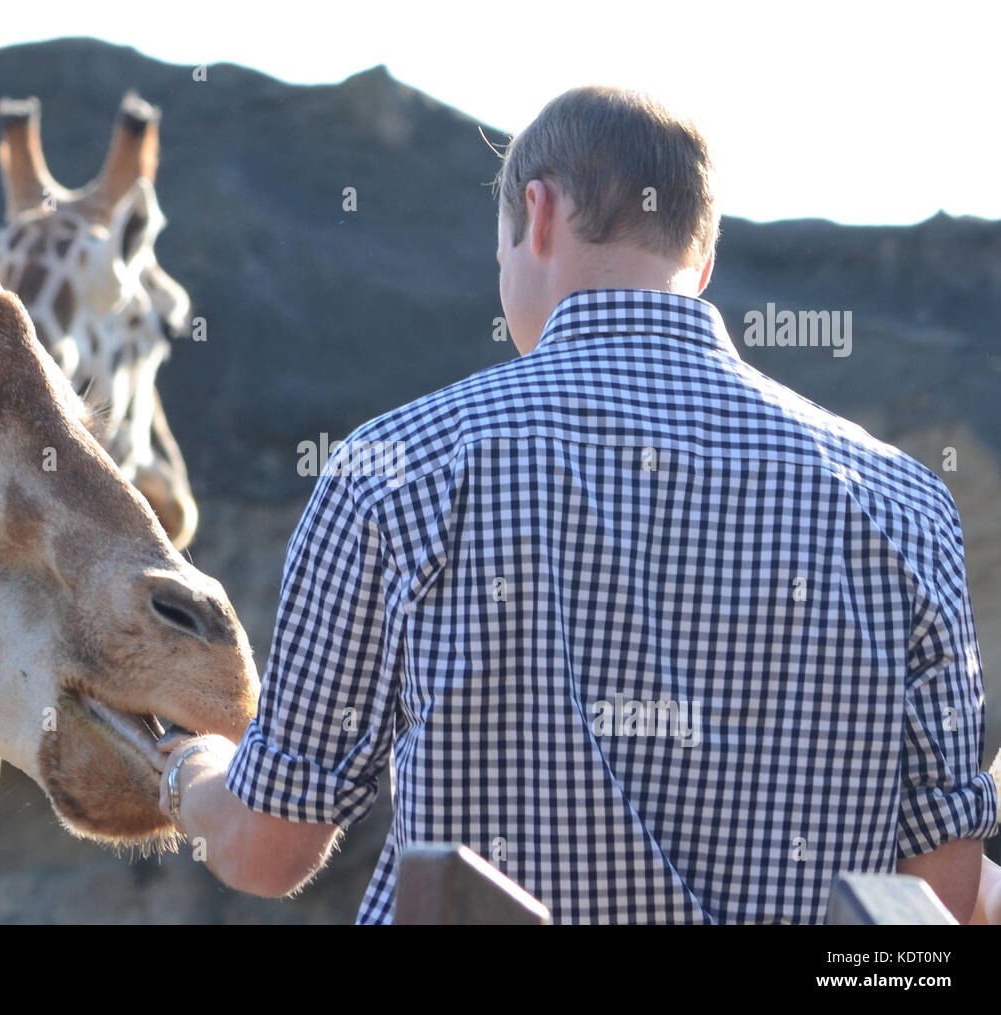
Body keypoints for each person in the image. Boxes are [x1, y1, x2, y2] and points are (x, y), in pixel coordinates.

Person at [153, 85, 996, 923]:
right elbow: (939, 898)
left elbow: (267, 847)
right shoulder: (906, 507)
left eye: (501, 255)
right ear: (700, 263)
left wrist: (187, 771)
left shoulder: (394, 468)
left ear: (540, 212)